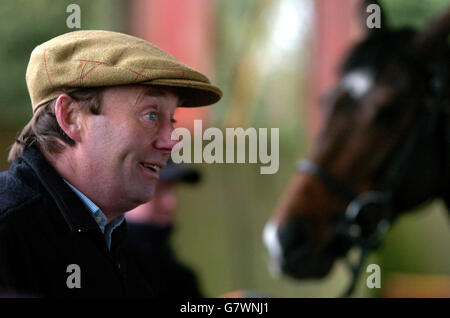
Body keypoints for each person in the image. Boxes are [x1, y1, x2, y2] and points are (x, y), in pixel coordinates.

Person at [0, 30, 221, 297]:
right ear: (71, 117)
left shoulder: (109, 238)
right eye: (151, 115)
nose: (170, 141)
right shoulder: (10, 231)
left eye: (171, 120)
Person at [126, 160, 203, 298]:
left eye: (172, 190)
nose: (171, 204)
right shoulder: (97, 265)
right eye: (157, 191)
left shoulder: (178, 277)